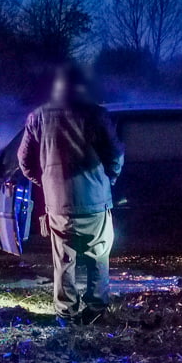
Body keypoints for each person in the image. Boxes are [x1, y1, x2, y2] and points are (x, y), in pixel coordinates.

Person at [18, 65, 124, 325]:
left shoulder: (38, 117)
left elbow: (25, 161)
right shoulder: (96, 114)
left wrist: (46, 182)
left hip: (59, 204)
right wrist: (106, 180)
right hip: (95, 202)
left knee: (64, 259)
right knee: (98, 256)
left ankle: (66, 312)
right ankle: (96, 308)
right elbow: (115, 155)